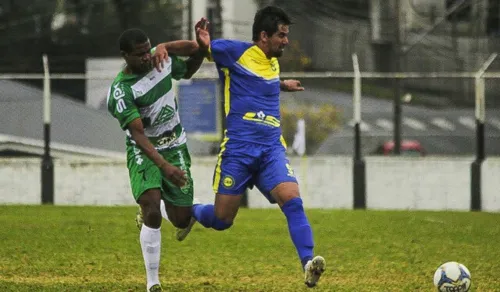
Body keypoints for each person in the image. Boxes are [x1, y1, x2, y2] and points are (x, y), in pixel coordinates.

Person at [190, 6, 326, 288]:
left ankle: (308, 263)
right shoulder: (233, 51)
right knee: (222, 219)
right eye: (281, 35)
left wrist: (282, 85)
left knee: (292, 200)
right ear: (263, 36)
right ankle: (192, 211)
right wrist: (203, 42)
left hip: (270, 149)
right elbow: (205, 51)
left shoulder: (273, 61)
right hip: (238, 150)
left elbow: (258, 82)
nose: (286, 41)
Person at [106, 19, 210, 292]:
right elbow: (138, 135)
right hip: (145, 150)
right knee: (151, 207)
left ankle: (173, 209)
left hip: (174, 144)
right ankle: (153, 282)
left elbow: (188, 66)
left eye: (148, 49)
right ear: (125, 56)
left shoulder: (159, 61)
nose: (146, 57)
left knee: (181, 219)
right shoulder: (121, 91)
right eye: (139, 54)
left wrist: (192, 45)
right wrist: (163, 167)